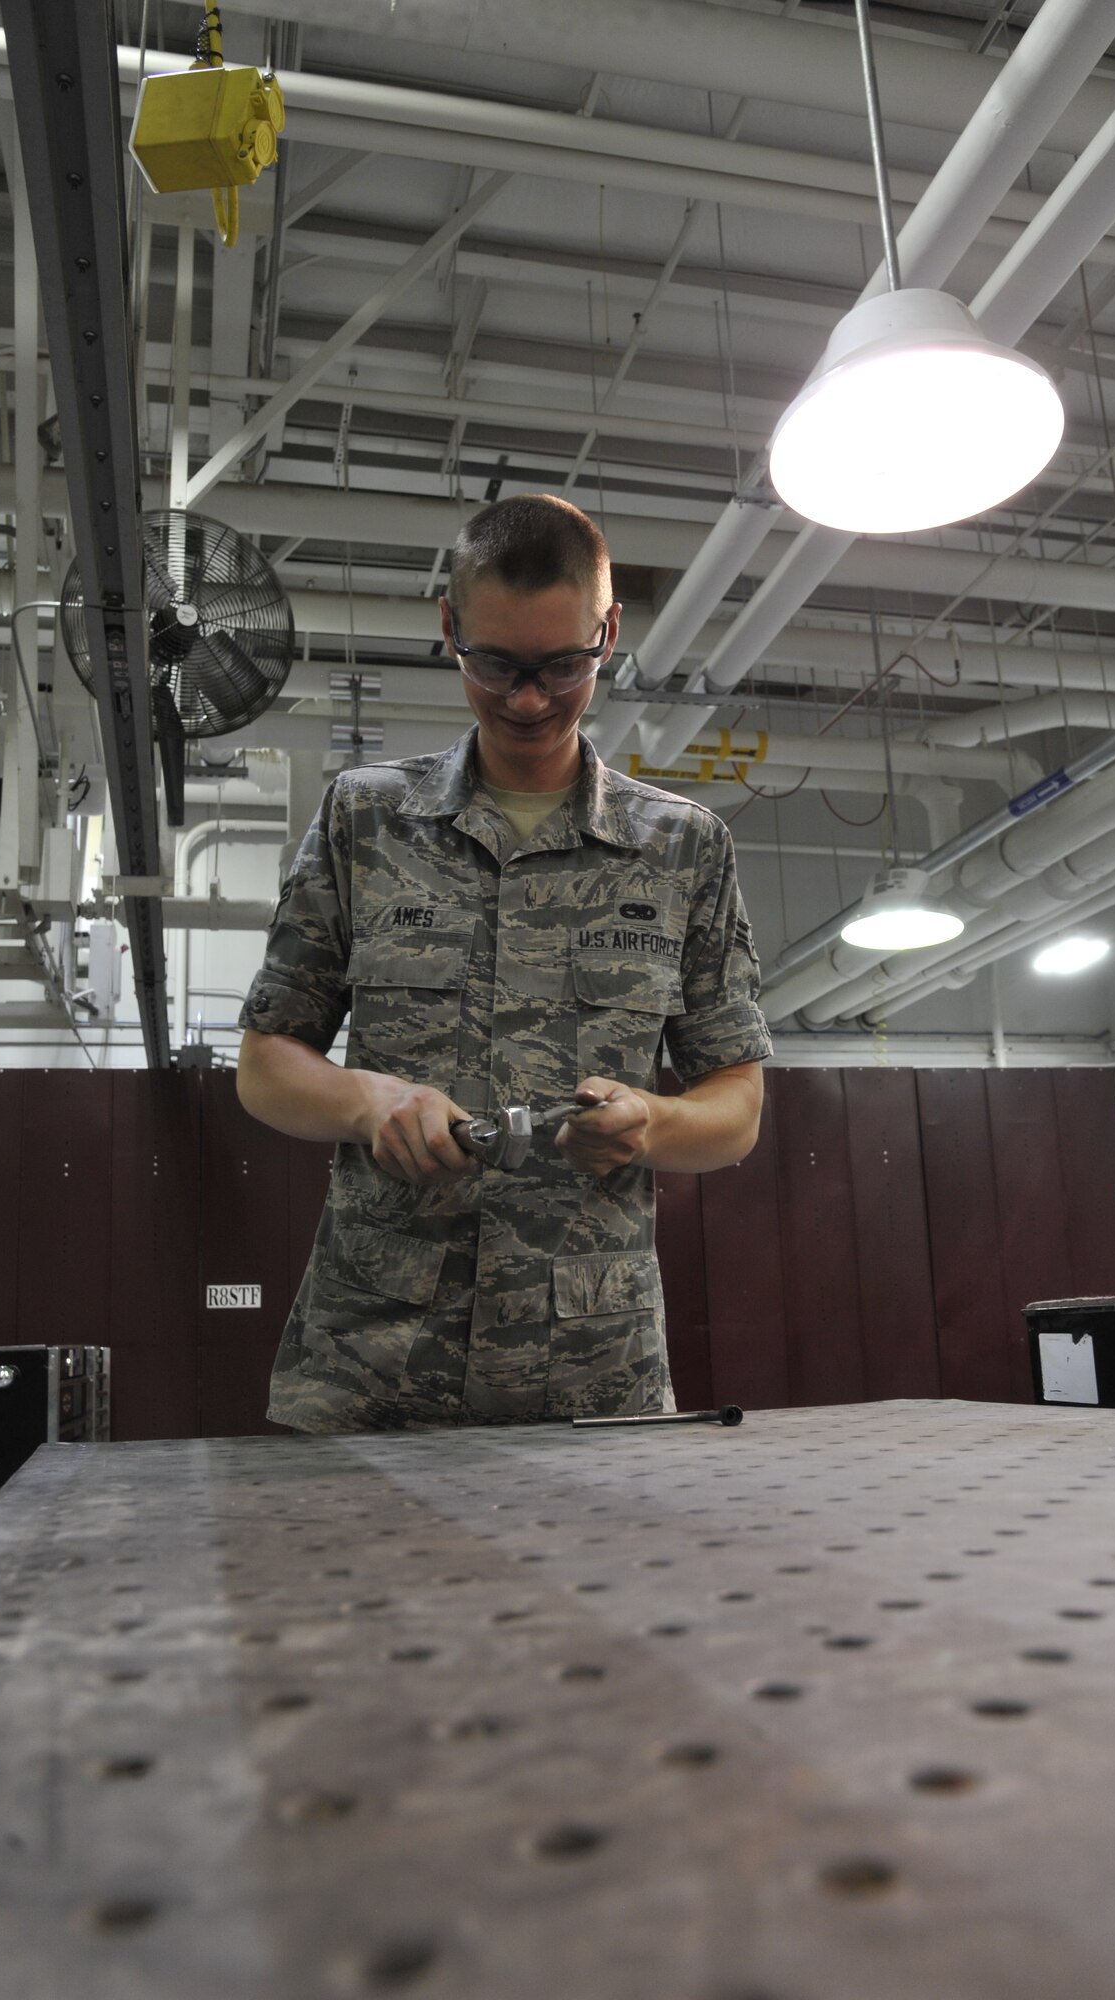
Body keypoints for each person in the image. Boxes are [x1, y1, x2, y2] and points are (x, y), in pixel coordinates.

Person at [237, 493, 772, 1431]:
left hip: (591, 1373)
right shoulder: (365, 819)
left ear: (609, 632)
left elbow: (735, 1111)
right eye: (494, 663)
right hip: (371, 1370)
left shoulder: (681, 848)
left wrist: (648, 1121)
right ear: (449, 628)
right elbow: (266, 1067)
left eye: (564, 664)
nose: (528, 699)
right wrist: (368, 1102)